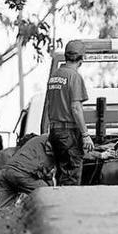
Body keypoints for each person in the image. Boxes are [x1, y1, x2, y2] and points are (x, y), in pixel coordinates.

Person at [45, 39, 94, 186]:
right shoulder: (74, 76)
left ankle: (60, 206)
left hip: (55, 132)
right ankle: (68, 208)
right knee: (72, 177)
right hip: (69, 133)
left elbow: (49, 104)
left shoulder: (55, 76)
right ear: (81, 59)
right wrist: (85, 135)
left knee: (62, 175)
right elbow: (76, 108)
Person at [0, 134, 56, 210]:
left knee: (1, 211)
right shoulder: (60, 142)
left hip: (8, 172)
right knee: (49, 195)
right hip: (22, 173)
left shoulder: (39, 140)